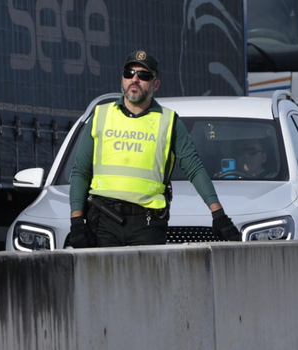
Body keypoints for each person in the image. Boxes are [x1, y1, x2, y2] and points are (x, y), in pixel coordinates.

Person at [66, 50, 240, 246]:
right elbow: (81, 171)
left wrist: (218, 214)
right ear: (122, 80)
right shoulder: (100, 116)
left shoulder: (169, 122)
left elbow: (195, 168)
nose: (135, 79)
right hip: (102, 222)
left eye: (144, 76)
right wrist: (76, 220)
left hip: (147, 224)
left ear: (155, 84)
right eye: (129, 73)